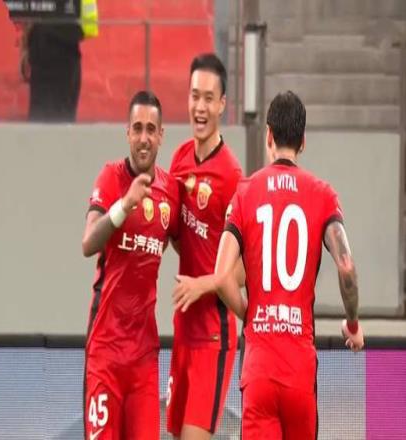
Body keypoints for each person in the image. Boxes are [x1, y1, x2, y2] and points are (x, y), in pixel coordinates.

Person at [174, 91, 365, 439]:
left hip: (259, 368)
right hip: (299, 370)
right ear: (303, 141)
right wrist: (352, 324)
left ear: (268, 136)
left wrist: (250, 315)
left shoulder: (246, 193)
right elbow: (347, 268)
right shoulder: (323, 195)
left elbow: (221, 275)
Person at [82, 90, 179, 440]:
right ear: (127, 132)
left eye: (151, 129)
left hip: (143, 359)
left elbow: (182, 243)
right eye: (137, 128)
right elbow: (88, 242)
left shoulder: (171, 192)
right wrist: (124, 206)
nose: (143, 138)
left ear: (161, 135)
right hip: (105, 353)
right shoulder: (111, 177)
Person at [166, 53, 243, 440]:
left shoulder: (232, 176)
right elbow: (178, 234)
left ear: (222, 104)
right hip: (183, 328)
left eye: (208, 98)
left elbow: (244, 270)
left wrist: (204, 283)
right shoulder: (179, 159)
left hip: (215, 335)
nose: (200, 107)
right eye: (194, 96)